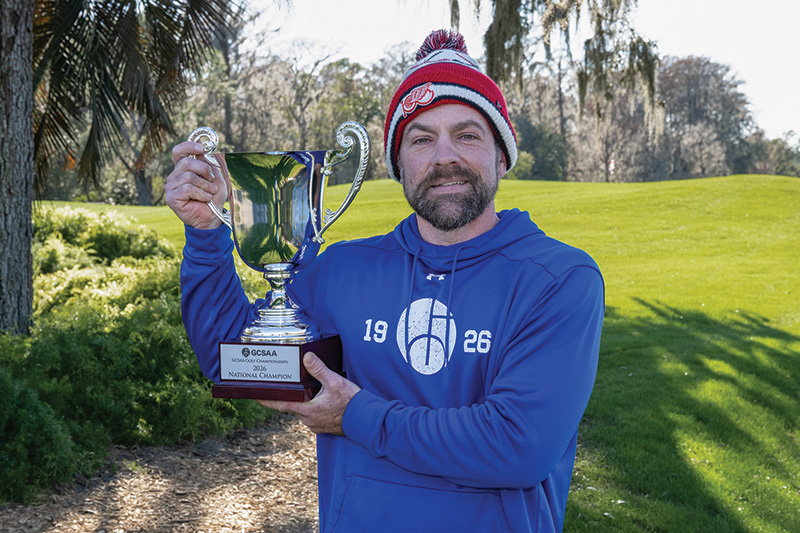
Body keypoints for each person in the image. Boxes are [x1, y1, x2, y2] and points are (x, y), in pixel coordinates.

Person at [166, 29, 604, 533]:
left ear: (501, 155)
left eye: (467, 134)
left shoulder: (559, 279)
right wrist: (205, 236)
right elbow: (233, 360)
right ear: (399, 165)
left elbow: (517, 445)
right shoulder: (344, 270)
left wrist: (356, 415)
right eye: (421, 139)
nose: (444, 157)